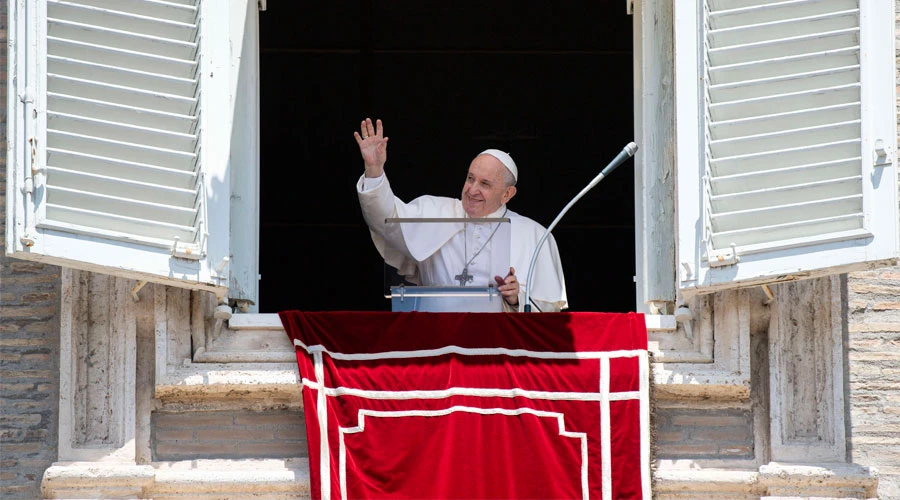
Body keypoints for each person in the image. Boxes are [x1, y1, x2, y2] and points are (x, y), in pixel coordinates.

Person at [355, 118, 567, 312]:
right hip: (438, 339)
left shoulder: (535, 235)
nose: (472, 190)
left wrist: (517, 298)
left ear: (507, 194)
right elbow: (386, 222)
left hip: (497, 344)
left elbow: (549, 314)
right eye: (470, 178)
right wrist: (374, 171)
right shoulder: (435, 212)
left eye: (485, 184)